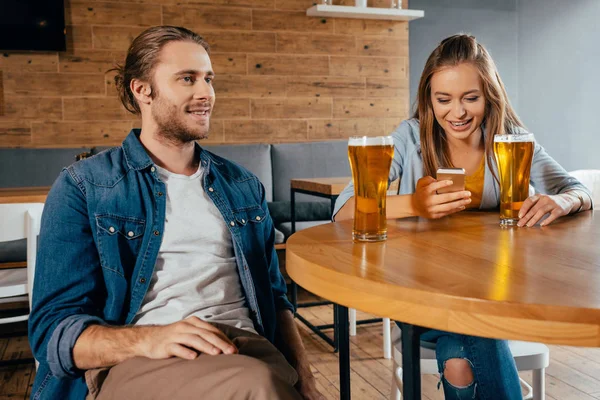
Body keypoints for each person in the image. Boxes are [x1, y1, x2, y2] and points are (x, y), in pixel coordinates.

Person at [28, 26, 323, 400]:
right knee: (259, 385)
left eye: (208, 79)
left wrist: (308, 379)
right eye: (188, 79)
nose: (206, 94)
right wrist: (150, 338)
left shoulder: (242, 186)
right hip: (143, 359)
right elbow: (53, 333)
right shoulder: (85, 187)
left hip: (246, 347)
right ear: (142, 90)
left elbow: (277, 299)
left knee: (264, 378)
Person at [334, 34, 593, 400]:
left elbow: (576, 189)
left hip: (497, 298)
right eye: (443, 100)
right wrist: (413, 205)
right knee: (466, 344)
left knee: (459, 358)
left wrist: (564, 202)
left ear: (489, 95)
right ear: (428, 100)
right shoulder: (410, 138)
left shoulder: (511, 141)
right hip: (421, 297)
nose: (457, 112)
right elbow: (344, 210)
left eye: (471, 98)